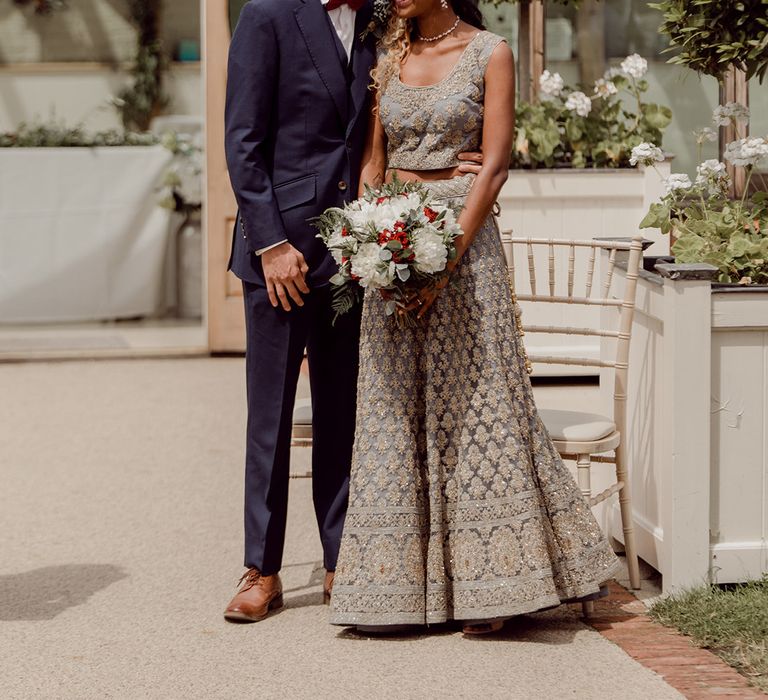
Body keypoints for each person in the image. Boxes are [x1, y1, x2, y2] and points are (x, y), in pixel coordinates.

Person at [329, 0, 622, 635]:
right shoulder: (390, 56)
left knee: (478, 405)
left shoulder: (492, 53)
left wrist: (445, 261)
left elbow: (493, 166)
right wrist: (367, 241)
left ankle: (498, 587)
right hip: (393, 237)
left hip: (463, 244)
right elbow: (374, 161)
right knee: (391, 406)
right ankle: (394, 589)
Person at [222, 0, 483, 623]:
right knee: (272, 418)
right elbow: (243, 141)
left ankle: (345, 561)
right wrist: (271, 244)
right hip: (279, 254)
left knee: (347, 411)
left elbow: (410, 104)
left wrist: (454, 164)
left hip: (357, 247)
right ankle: (262, 569)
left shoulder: (383, 21)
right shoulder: (266, 15)